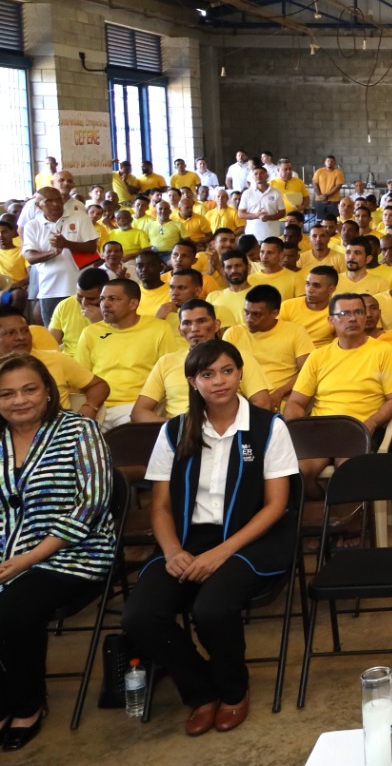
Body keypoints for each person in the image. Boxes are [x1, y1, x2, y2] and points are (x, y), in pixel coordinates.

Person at [122, 340, 297, 737]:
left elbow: (275, 506)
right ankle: (201, 691)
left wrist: (222, 552)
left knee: (212, 609)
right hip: (185, 539)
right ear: (192, 382)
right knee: (139, 616)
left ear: (239, 374)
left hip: (250, 539)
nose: (219, 381)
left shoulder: (269, 426)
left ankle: (233, 692)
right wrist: (171, 551)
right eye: (207, 374)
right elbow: (161, 506)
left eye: (227, 371)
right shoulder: (174, 430)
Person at [0, 354, 115, 752]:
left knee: (13, 608)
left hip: (73, 554)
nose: (19, 400)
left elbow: (93, 502)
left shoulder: (79, 430)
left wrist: (29, 559)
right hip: (7, 555)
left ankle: (27, 705)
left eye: (29, 389)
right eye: (7, 393)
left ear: (49, 390)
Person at [283, 293, 392, 492]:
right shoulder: (318, 356)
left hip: (359, 429)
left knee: (347, 471)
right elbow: (296, 402)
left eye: (358, 312)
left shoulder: (382, 351)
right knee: (299, 472)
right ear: (331, 320)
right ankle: (325, 514)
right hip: (320, 431)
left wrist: (373, 422)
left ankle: (348, 518)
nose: (352, 318)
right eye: (344, 313)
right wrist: (302, 431)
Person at [133, 299, 273, 422]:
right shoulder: (166, 362)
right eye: (187, 323)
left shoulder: (238, 356)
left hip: (228, 431)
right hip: (180, 437)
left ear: (216, 325)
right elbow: (139, 413)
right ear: (180, 330)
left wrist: (228, 427)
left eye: (202, 321)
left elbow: (263, 403)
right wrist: (177, 428)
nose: (194, 329)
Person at [78, 278, 186, 428]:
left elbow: (170, 371)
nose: (105, 304)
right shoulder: (90, 332)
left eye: (113, 299)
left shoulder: (159, 328)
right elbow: (81, 378)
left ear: (133, 304)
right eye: (102, 299)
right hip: (98, 407)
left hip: (135, 407)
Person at [0, 305, 107, 417]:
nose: (21, 337)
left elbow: (99, 385)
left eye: (25, 331)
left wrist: (89, 407)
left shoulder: (56, 359)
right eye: (11, 333)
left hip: (61, 430)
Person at [224, 286, 313, 410]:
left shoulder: (295, 331)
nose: (249, 319)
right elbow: (225, 372)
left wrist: (280, 392)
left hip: (283, 399)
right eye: (246, 312)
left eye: (256, 314)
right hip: (243, 400)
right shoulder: (233, 333)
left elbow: (307, 371)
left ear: (274, 313)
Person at [22, 188, 98, 324]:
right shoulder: (32, 226)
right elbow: (30, 257)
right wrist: (53, 252)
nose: (56, 204)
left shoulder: (80, 217)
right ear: (38, 205)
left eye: (58, 199)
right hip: (50, 290)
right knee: (54, 335)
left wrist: (67, 244)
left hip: (81, 290)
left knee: (86, 330)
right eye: (49, 201)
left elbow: (92, 247)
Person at [237, 166, 286, 241]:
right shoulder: (247, 193)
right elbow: (241, 213)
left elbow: (282, 213)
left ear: (267, 175)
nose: (258, 176)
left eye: (261, 173)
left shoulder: (276, 192)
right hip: (252, 235)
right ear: (253, 177)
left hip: (272, 234)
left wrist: (268, 217)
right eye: (256, 174)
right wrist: (256, 215)